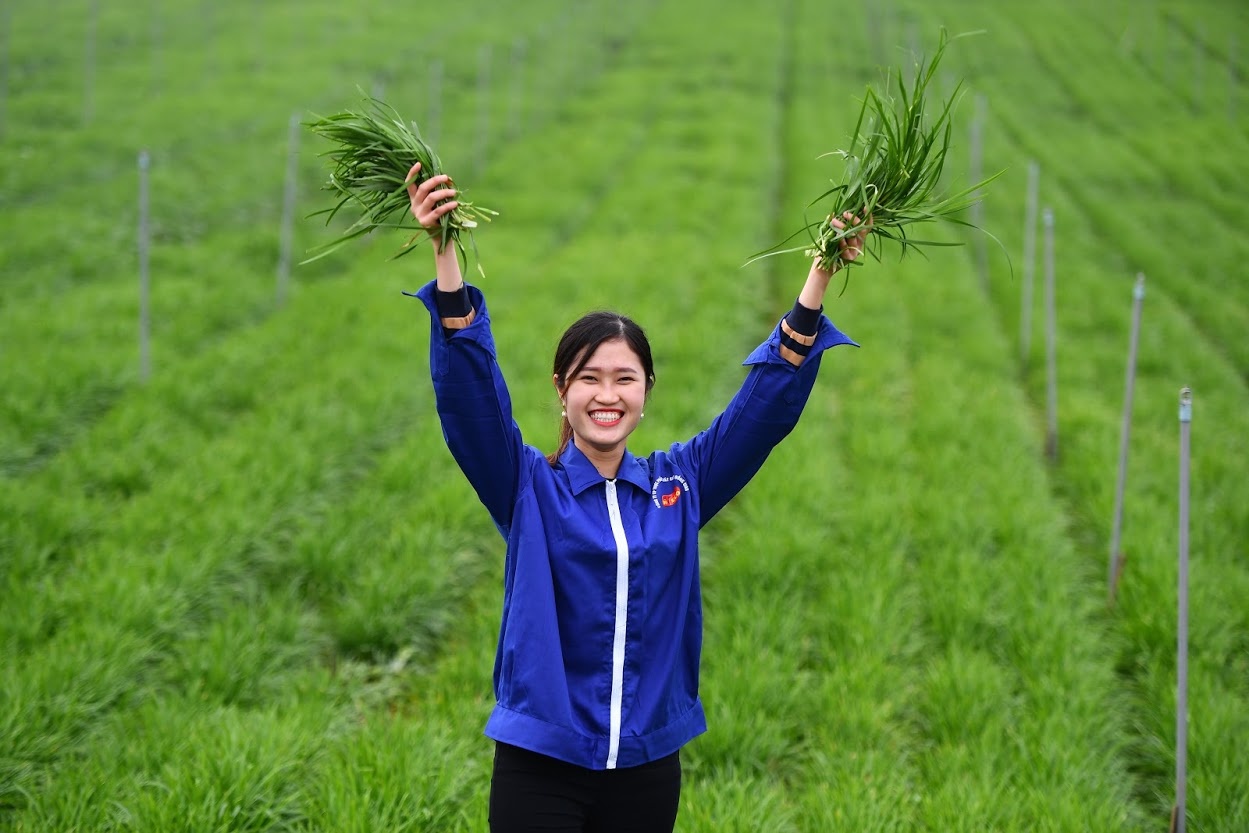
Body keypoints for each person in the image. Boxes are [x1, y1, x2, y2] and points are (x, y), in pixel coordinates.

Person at [405, 162, 868, 833]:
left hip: (647, 768)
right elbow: (470, 402)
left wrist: (820, 270)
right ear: (561, 391)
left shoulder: (680, 485)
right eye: (588, 377)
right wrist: (445, 251)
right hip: (541, 765)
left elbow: (760, 412)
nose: (607, 393)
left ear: (645, 394)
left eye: (625, 377)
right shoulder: (529, 486)